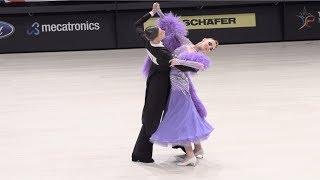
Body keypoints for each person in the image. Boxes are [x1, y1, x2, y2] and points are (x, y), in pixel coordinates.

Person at [131, 3, 196, 163]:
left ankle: (181, 144)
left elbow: (137, 24)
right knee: (152, 117)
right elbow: (179, 64)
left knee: (173, 111)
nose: (164, 31)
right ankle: (141, 153)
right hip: (161, 84)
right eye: (162, 32)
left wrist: (152, 12)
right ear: (158, 38)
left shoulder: (147, 40)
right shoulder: (163, 52)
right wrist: (197, 65)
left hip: (154, 78)